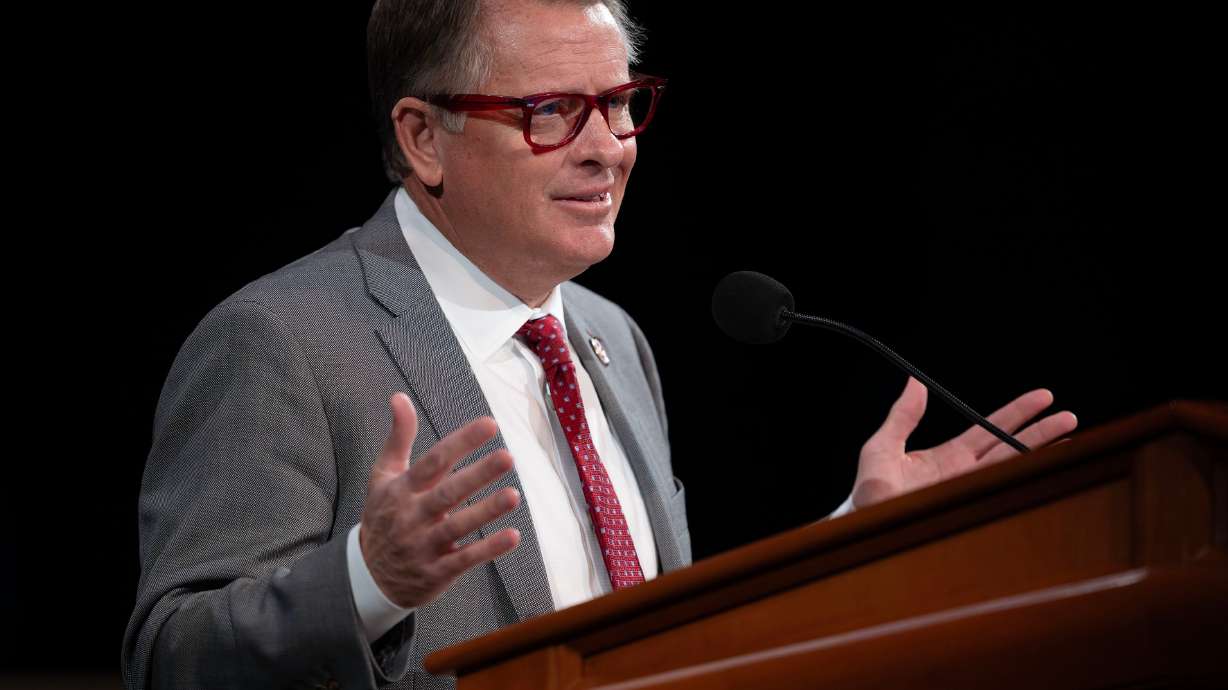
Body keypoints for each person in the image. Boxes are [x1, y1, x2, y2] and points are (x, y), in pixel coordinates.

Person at [123, 1, 1078, 688]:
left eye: (620, 102)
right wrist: (370, 580)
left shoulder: (611, 336)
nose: (609, 146)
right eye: (551, 112)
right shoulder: (281, 341)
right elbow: (171, 656)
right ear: (422, 138)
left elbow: (658, 635)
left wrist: (848, 538)